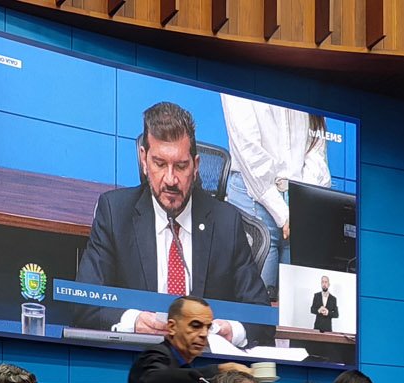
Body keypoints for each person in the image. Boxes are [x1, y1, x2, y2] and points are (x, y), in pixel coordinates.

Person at [75, 102, 267, 345]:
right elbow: (83, 303)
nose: (170, 179)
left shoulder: (226, 223)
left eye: (181, 166)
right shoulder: (115, 213)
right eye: (159, 164)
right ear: (144, 160)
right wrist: (133, 322)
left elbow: (261, 314)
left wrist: (232, 330)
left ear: (196, 166)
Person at [220, 95, 331, 304]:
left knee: (296, 305)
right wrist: (284, 213)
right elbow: (248, 150)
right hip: (254, 194)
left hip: (298, 199)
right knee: (257, 302)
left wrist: (303, 206)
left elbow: (317, 152)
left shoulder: (310, 87)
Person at [127, 296, 250, 383]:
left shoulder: (183, 366)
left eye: (208, 327)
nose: (204, 334)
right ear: (172, 327)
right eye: (196, 326)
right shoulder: (153, 356)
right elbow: (153, 380)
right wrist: (218, 371)